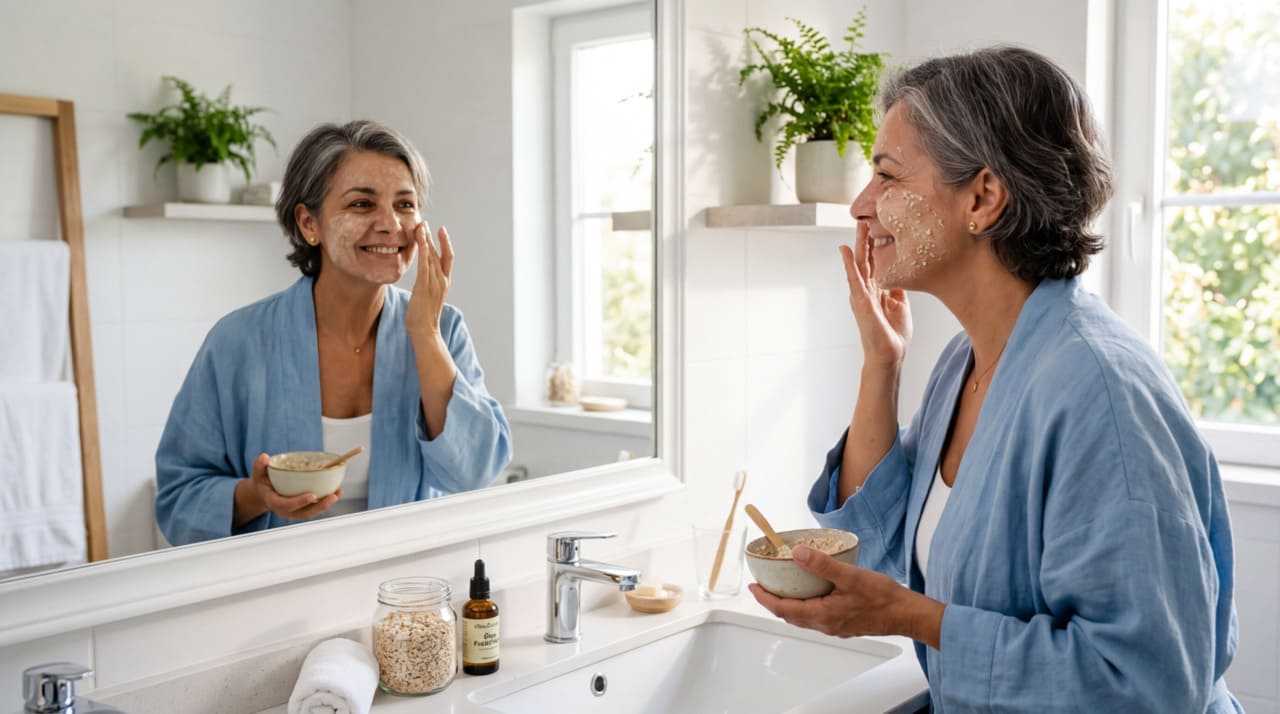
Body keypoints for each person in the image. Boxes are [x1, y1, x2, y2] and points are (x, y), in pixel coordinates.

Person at [749, 47, 1242, 712]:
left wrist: (911, 617)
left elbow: (1144, 682)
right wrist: (881, 362)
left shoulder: (1102, 394)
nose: (862, 205)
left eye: (887, 175)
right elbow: (880, 543)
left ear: (982, 198)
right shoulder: (965, 363)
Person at [156, 120, 512, 547]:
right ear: (309, 223)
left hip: (405, 582)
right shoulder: (238, 342)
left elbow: (476, 473)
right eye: (362, 204)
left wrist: (424, 333)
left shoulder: (443, 329)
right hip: (282, 581)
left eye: (405, 204)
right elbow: (177, 500)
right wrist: (256, 495)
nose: (391, 224)